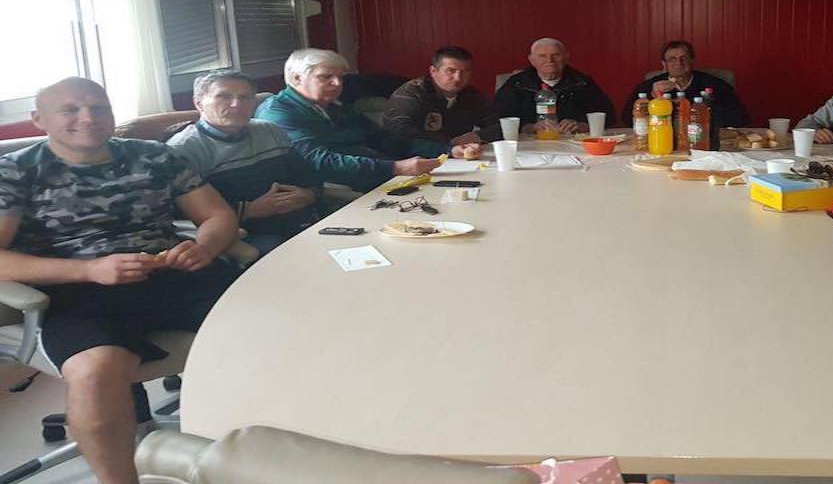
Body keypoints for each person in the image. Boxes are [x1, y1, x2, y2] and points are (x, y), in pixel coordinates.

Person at [0, 78, 240, 484]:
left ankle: (270, 452)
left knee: (281, 325)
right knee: (95, 374)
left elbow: (217, 215)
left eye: (99, 108)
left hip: (174, 273)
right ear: (39, 119)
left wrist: (205, 247)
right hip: (79, 290)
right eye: (70, 109)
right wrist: (90, 270)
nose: (88, 117)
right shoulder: (15, 171)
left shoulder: (154, 155)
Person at [255, 49, 477, 192]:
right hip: (336, 187)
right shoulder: (278, 113)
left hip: (377, 174)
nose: (337, 84)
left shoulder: (335, 106)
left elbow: (385, 139)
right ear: (297, 78)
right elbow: (319, 162)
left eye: (340, 77)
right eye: (326, 77)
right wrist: (394, 167)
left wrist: (448, 150)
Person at [168, 70, 320, 255]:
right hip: (245, 231)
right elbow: (178, 212)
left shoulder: (269, 130)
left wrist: (309, 193)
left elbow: (307, 173)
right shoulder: (182, 149)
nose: (236, 104)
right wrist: (249, 210)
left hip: (301, 218)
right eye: (224, 97)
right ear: (198, 103)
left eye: (245, 97)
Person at [491, 38, 614, 135]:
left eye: (556, 55)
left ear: (566, 57)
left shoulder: (582, 82)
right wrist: (530, 127)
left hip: (572, 142)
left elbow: (608, 116)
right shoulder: (517, 83)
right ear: (532, 60)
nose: (550, 60)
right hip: (528, 144)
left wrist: (582, 125)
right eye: (542, 56)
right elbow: (496, 120)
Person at [623, 40, 747, 128]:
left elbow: (740, 118)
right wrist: (653, 99)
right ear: (664, 64)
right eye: (672, 59)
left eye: (684, 58)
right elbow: (627, 119)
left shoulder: (716, 84)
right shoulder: (649, 86)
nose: (679, 63)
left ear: (692, 61)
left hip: (704, 139)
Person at [384, 46, 489, 146]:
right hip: (412, 154)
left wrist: (478, 136)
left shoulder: (471, 95)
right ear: (433, 71)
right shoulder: (412, 92)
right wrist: (449, 143)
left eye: (465, 72)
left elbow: (496, 125)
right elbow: (400, 130)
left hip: (456, 153)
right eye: (450, 71)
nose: (458, 78)